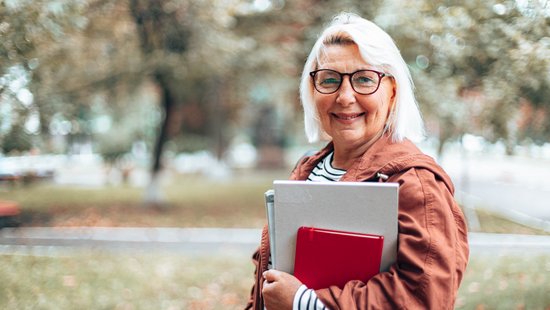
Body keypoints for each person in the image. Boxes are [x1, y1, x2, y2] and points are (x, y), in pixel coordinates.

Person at [245, 12, 469, 310]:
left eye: (364, 79)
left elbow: (424, 297)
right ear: (312, 91)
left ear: (392, 92)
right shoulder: (307, 171)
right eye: (330, 80)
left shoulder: (416, 183)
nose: (345, 96)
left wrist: (302, 302)